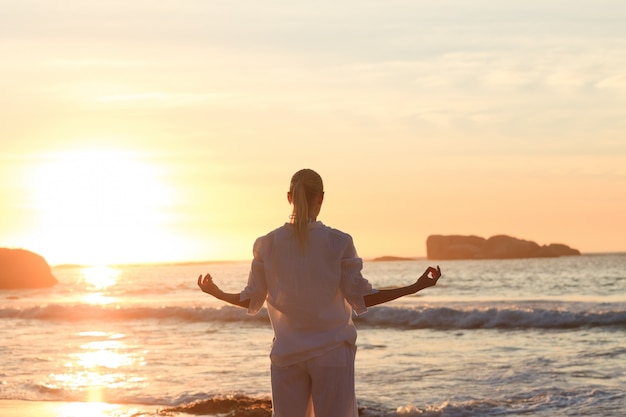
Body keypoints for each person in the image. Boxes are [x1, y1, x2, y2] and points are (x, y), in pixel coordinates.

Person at [197, 168, 442, 417]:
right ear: (321, 198)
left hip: (287, 354)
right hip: (333, 352)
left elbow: (251, 299)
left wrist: (216, 292)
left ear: (289, 197)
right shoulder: (339, 242)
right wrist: (415, 286)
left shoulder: (266, 244)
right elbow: (362, 297)